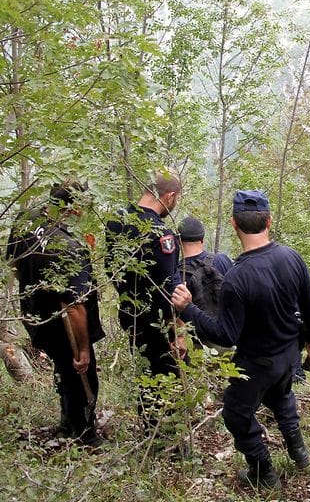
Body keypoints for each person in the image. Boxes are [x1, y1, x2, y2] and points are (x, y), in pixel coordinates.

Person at [172, 190, 310, 491]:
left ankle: (263, 473)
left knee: (236, 413)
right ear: (269, 221)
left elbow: (225, 335)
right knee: (280, 396)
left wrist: (187, 309)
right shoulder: (292, 257)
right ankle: (299, 452)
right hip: (288, 356)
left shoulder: (238, 278)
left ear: (233, 223)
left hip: (258, 362)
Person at [5, 181, 105, 448]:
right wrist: (83, 348)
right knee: (81, 375)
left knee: (62, 369)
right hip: (63, 326)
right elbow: (74, 305)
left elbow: (13, 263)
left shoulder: (27, 219)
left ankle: (66, 421)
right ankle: (85, 434)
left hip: (35, 316)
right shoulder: (69, 248)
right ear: (72, 208)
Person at [105, 171, 187, 428]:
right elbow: (167, 290)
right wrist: (178, 330)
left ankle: (150, 424)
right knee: (165, 374)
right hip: (157, 322)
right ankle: (165, 435)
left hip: (130, 313)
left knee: (145, 373)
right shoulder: (161, 234)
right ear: (170, 196)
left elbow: (112, 269)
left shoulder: (115, 222)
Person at [177, 215, 233, 350]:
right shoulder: (222, 260)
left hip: (200, 346)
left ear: (179, 241)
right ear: (202, 239)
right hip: (229, 340)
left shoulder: (177, 273)